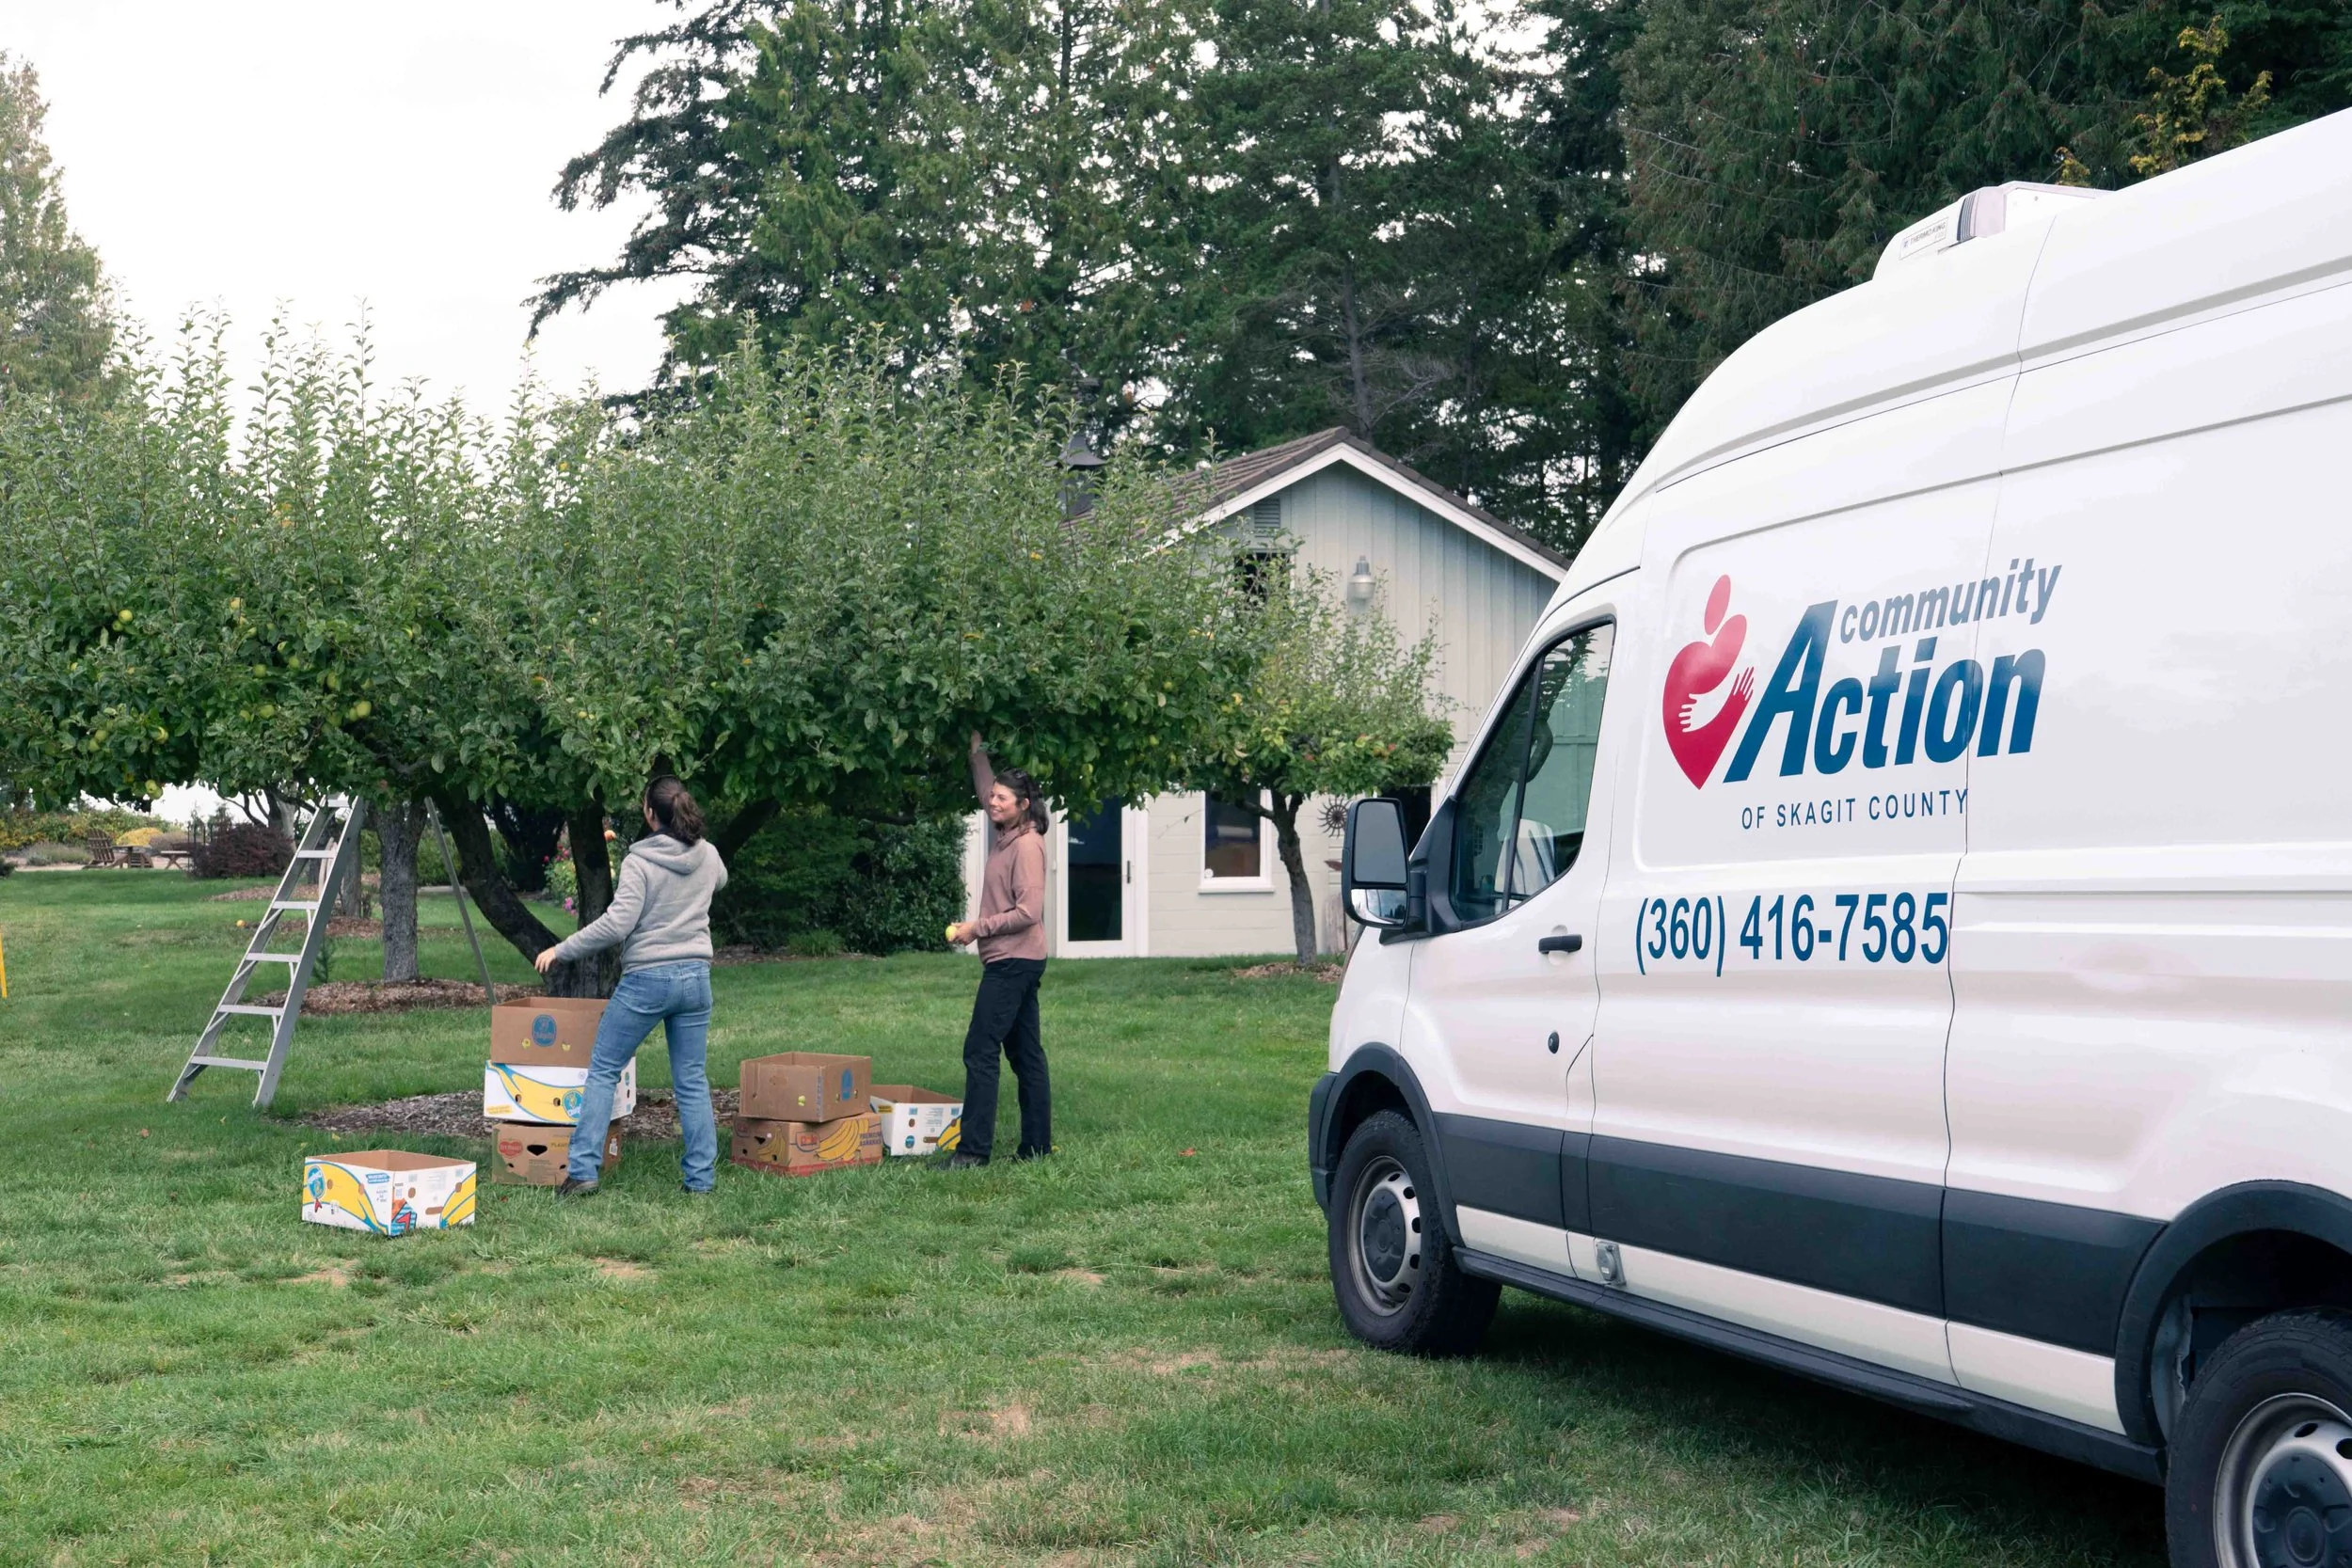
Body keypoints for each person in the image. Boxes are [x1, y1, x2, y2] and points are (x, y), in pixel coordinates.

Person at [533, 776, 729, 1196]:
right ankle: (701, 1181)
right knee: (692, 1080)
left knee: (605, 1068)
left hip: (648, 979)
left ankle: (583, 1171)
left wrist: (562, 949)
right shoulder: (708, 854)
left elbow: (617, 924)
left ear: (650, 813)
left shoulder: (639, 862)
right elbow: (720, 880)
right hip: (696, 979)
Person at [943, 732, 1051, 1166]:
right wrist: (976, 746)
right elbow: (985, 784)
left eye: (1002, 798)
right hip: (1018, 959)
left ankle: (972, 1152)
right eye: (993, 796)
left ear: (1023, 804)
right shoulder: (1007, 833)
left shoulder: (1026, 845)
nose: (993, 802)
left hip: (1013, 961)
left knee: (980, 1050)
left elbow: (1029, 911)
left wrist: (977, 929)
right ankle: (1036, 1148)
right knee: (1026, 1055)